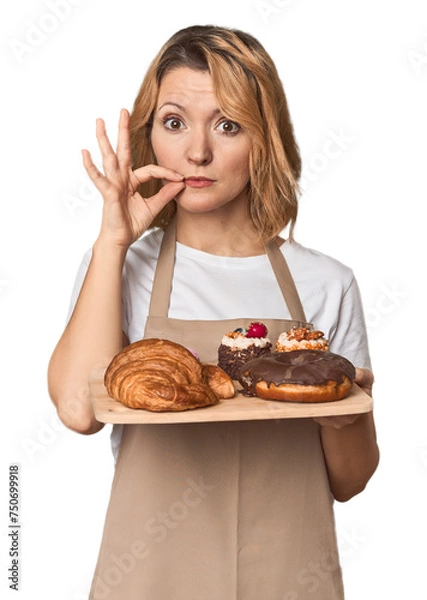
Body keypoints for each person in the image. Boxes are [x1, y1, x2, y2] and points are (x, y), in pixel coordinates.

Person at [47, 25, 379, 600]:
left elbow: (350, 481)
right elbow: (79, 410)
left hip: (289, 577)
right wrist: (111, 243)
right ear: (151, 133)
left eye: (228, 125)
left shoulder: (326, 283)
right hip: (149, 580)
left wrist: (348, 413)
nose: (197, 151)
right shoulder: (123, 267)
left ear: (264, 136)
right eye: (174, 123)